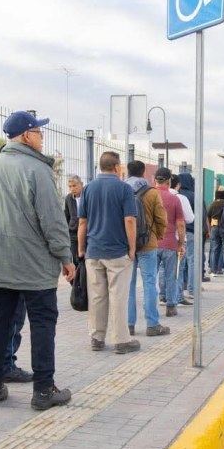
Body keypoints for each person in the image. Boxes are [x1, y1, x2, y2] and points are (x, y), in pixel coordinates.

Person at [0, 110, 75, 411]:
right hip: (35, 266)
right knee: (42, 324)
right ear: (27, 136)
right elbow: (52, 221)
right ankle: (43, 391)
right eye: (39, 132)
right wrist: (66, 258)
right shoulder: (39, 170)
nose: (42, 137)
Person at [78, 151, 140, 352]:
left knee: (97, 296)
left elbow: (82, 222)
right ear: (117, 167)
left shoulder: (87, 189)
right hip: (117, 252)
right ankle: (122, 340)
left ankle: (96, 338)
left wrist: (81, 249)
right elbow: (130, 220)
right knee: (118, 296)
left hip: (93, 251)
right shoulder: (124, 189)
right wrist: (132, 249)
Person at [125, 161, 170, 337]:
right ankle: (152, 325)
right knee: (150, 282)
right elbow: (161, 218)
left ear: (128, 172)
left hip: (127, 243)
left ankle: (129, 324)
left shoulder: (123, 190)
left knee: (129, 285)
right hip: (147, 243)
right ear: (144, 173)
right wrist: (157, 235)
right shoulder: (152, 193)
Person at [152, 168, 186, 317]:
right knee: (171, 275)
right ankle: (171, 306)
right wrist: (181, 244)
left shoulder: (148, 197)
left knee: (150, 276)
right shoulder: (175, 199)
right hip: (171, 243)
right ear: (169, 181)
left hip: (151, 244)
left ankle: (152, 304)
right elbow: (181, 224)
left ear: (155, 180)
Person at [169, 174, 194, 306]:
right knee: (179, 267)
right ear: (177, 184)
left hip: (159, 240)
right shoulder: (182, 198)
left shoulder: (156, 195)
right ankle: (178, 297)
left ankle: (164, 296)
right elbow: (187, 219)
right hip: (178, 237)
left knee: (162, 269)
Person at [64, 174, 83, 265]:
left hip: (85, 232)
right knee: (74, 258)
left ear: (81, 184)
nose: (72, 189)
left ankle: (83, 278)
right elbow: (66, 215)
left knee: (82, 258)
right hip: (73, 233)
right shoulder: (68, 198)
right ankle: (75, 279)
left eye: (74, 186)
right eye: (70, 186)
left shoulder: (87, 196)